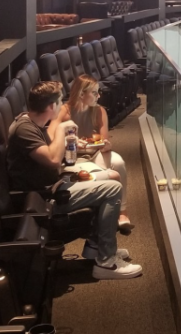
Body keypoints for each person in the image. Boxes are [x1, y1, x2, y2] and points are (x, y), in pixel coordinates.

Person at [7, 80, 141, 280]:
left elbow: (53, 155)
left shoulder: (33, 122)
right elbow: (52, 160)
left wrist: (70, 142)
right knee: (112, 190)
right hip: (45, 198)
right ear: (51, 106)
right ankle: (106, 262)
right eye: (59, 101)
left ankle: (96, 247)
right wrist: (62, 130)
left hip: (55, 184)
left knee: (113, 177)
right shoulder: (24, 129)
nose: (62, 105)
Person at [52, 74, 133, 232]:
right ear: (82, 94)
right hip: (71, 157)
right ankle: (100, 210)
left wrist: (105, 145)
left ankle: (122, 211)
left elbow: (103, 140)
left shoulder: (99, 111)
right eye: (95, 93)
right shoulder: (64, 111)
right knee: (106, 175)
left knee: (118, 163)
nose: (99, 96)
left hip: (94, 153)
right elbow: (53, 138)